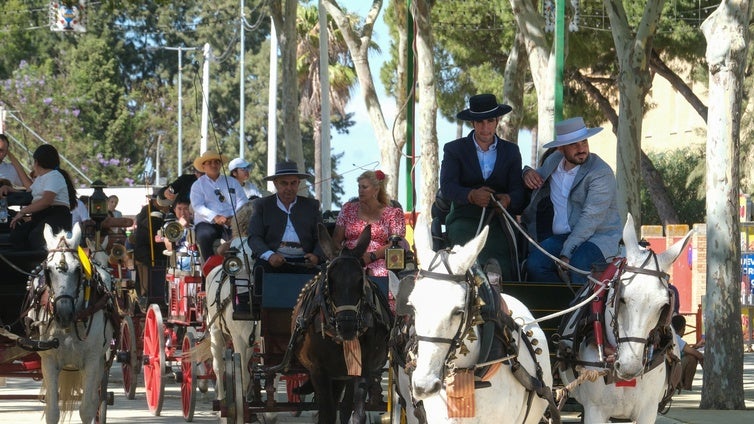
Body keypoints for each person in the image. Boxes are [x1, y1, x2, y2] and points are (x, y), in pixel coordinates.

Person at [522, 116, 621, 285]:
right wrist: (526, 173)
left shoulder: (600, 173)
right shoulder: (553, 161)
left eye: (584, 142)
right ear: (560, 148)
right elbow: (535, 175)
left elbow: (590, 219)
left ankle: (583, 310)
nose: (581, 149)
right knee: (534, 265)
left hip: (597, 237)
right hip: (563, 237)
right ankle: (564, 306)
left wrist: (566, 253)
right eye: (574, 144)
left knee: (579, 264)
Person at [439, 93, 525, 281]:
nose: (485, 128)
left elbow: (518, 191)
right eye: (479, 122)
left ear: (497, 121)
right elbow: (447, 187)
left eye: (490, 121)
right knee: (465, 252)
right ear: (472, 123)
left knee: (505, 252)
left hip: (499, 220)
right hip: (463, 219)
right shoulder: (454, 149)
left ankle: (503, 295)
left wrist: (507, 199)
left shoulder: (511, 151)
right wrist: (471, 195)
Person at [248, 160, 324, 273]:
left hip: (305, 262)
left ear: (298, 183)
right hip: (272, 261)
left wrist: (316, 257)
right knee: (260, 270)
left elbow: (321, 238)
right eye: (284, 183)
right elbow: (254, 237)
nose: (289, 188)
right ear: (275, 183)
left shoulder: (311, 206)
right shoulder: (262, 205)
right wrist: (270, 255)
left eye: (293, 183)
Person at [0, 144, 77, 250]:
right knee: (18, 236)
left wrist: (22, 212)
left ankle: (41, 264)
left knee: (37, 237)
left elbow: (47, 201)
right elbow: (29, 195)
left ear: (37, 162)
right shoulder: (41, 178)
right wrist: (9, 189)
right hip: (40, 217)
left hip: (55, 215)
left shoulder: (55, 175)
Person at [332, 170, 405, 277]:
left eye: (364, 187)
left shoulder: (393, 214)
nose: (360, 191)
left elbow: (395, 245)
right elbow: (336, 240)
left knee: (380, 274)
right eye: (359, 187)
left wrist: (371, 256)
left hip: (378, 259)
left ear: (376, 190)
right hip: (349, 259)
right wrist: (344, 257)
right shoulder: (347, 209)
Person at [189, 150, 249, 261]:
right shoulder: (197, 185)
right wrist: (215, 217)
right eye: (210, 162)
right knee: (205, 235)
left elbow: (242, 201)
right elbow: (198, 206)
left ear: (220, 164)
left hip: (233, 222)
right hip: (207, 223)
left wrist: (234, 218)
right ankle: (209, 269)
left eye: (216, 162)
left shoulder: (232, 182)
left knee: (246, 236)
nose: (214, 165)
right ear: (203, 166)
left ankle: (240, 267)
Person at [133, 188, 172, 302]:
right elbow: (151, 232)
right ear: (157, 202)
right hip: (147, 252)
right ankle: (153, 296)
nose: (168, 207)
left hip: (156, 250)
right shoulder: (149, 212)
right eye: (166, 204)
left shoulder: (159, 212)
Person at [163, 197, 198, 272]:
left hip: (197, 259)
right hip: (181, 260)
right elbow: (169, 246)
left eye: (186, 209)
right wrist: (179, 226)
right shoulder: (170, 226)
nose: (183, 212)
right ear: (175, 210)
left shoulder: (197, 226)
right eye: (179, 209)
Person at [671, 314, 704, 391]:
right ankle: (687, 387)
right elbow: (698, 354)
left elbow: (684, 351)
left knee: (690, 355)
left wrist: (696, 346)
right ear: (683, 328)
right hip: (674, 372)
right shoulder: (677, 339)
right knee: (692, 358)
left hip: (671, 371)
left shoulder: (672, 337)